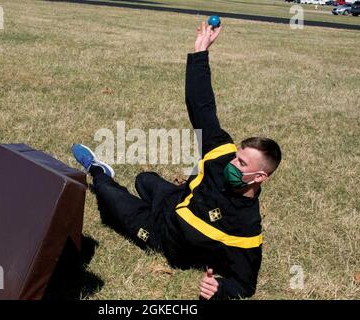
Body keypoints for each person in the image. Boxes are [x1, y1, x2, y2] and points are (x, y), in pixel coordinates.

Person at [71, 21, 281, 300]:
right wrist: (200, 52)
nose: (232, 164)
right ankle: (152, 188)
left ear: (259, 177)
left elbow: (244, 285)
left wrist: (220, 289)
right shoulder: (221, 154)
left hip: (162, 234)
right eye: (237, 157)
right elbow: (201, 106)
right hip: (175, 198)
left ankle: (98, 169)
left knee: (109, 195)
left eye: (242, 164)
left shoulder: (245, 228)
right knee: (143, 179)